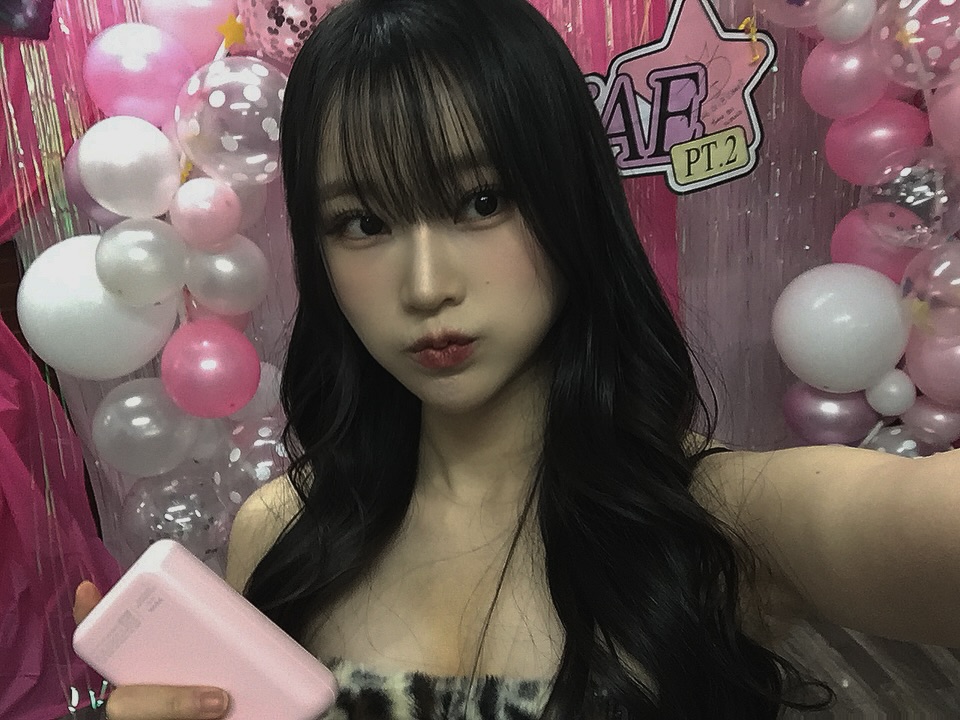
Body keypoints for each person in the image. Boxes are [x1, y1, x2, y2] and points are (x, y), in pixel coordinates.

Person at [72, 0, 960, 717]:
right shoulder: (282, 535)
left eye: (481, 201)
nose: (426, 286)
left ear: (569, 196)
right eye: (363, 222)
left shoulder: (726, 521)